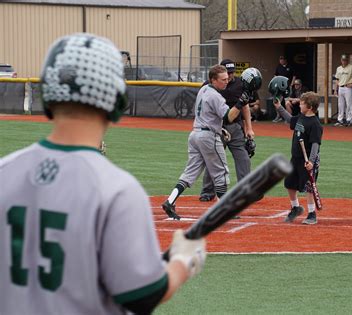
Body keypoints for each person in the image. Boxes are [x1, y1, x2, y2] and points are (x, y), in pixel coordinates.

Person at [0, 33, 206, 315]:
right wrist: (183, 262)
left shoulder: (5, 171)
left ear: (48, 93)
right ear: (116, 99)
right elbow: (142, 296)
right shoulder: (117, 189)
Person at [162, 64, 248, 219]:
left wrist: (218, 127)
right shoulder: (216, 96)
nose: (226, 82)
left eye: (227, 79)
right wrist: (240, 103)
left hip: (195, 134)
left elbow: (209, 115)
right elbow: (229, 117)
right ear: (213, 80)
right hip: (208, 137)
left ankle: (170, 200)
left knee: (190, 172)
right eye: (222, 80)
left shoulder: (203, 90)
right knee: (221, 173)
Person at [198, 59, 255, 203]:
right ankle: (207, 191)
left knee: (243, 158)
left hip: (235, 127)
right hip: (216, 128)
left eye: (232, 72)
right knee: (213, 159)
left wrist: (249, 128)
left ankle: (245, 190)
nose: (230, 76)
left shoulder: (240, 84)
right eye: (227, 73)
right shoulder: (209, 86)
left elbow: (245, 106)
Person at [273, 92, 323, 225]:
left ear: (310, 107)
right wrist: (279, 107)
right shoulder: (301, 117)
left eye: (302, 103)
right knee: (289, 183)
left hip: (307, 160)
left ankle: (312, 214)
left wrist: (311, 161)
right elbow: (290, 120)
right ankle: (295, 207)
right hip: (295, 158)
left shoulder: (315, 124)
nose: (299, 104)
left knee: (308, 187)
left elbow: (315, 144)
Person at [334, 54, 352, 126]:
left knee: (349, 104)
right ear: (341, 60)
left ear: (347, 60)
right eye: (343, 60)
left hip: (348, 87)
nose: (344, 61)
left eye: (345, 60)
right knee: (340, 104)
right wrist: (335, 90)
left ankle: (349, 119)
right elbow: (336, 79)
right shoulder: (338, 68)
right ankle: (340, 119)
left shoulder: (351, 67)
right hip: (341, 88)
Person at [273, 55, 296, 122]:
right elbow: (275, 75)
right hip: (280, 87)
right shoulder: (278, 67)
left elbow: (294, 76)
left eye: (282, 59)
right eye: (280, 59)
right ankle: (278, 116)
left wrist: (291, 84)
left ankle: (288, 118)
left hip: (287, 87)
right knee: (276, 101)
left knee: (287, 101)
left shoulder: (290, 66)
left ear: (285, 60)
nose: (281, 60)